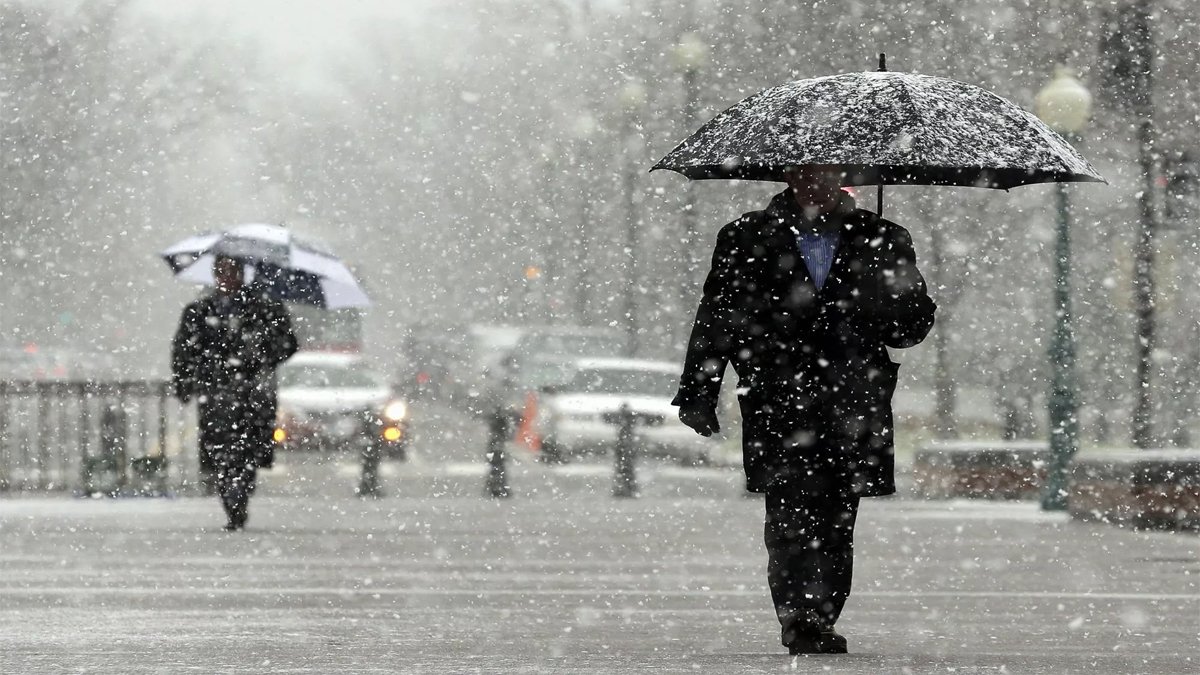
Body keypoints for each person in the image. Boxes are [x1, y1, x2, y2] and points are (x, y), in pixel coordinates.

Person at [673, 166, 936, 655]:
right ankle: (799, 618)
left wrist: (893, 296)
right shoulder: (745, 236)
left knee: (838, 517)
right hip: (778, 400)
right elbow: (717, 317)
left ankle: (821, 614)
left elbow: (910, 330)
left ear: (845, 175)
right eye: (806, 171)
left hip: (852, 402)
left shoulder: (884, 238)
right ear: (788, 174)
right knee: (788, 515)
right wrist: (698, 392)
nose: (816, 181)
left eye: (827, 171)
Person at [172, 255, 298, 531]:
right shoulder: (200, 311)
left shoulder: (264, 308)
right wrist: (186, 381)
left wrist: (259, 353)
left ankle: (239, 493)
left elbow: (288, 343)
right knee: (222, 451)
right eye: (221, 271)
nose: (227, 278)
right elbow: (184, 349)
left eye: (232, 271)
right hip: (217, 393)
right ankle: (232, 499)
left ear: (242, 274)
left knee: (246, 451)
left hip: (253, 394)